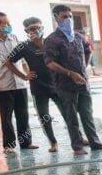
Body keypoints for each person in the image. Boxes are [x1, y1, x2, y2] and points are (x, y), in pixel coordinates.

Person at [6, 17, 84, 153]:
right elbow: (8, 61)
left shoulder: (50, 42)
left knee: (68, 113)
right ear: (26, 31)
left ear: (43, 27)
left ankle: (79, 138)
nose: (36, 30)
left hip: (57, 85)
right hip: (38, 87)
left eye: (38, 27)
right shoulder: (23, 46)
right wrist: (24, 75)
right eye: (32, 29)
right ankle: (53, 142)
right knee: (44, 116)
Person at [44, 4, 102, 155]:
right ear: (56, 18)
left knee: (87, 113)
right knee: (71, 116)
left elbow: (89, 50)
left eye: (70, 16)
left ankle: (95, 142)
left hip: (83, 83)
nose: (68, 19)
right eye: (64, 17)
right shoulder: (52, 40)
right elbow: (50, 62)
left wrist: (84, 67)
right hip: (65, 84)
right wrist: (70, 73)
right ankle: (77, 146)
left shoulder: (79, 37)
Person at [0, 12, 38, 154]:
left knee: (23, 114)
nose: (8, 26)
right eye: (5, 24)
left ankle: (26, 142)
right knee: (6, 116)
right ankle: (9, 145)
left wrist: (28, 75)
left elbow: (23, 60)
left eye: (9, 23)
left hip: (20, 83)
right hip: (3, 84)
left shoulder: (14, 38)